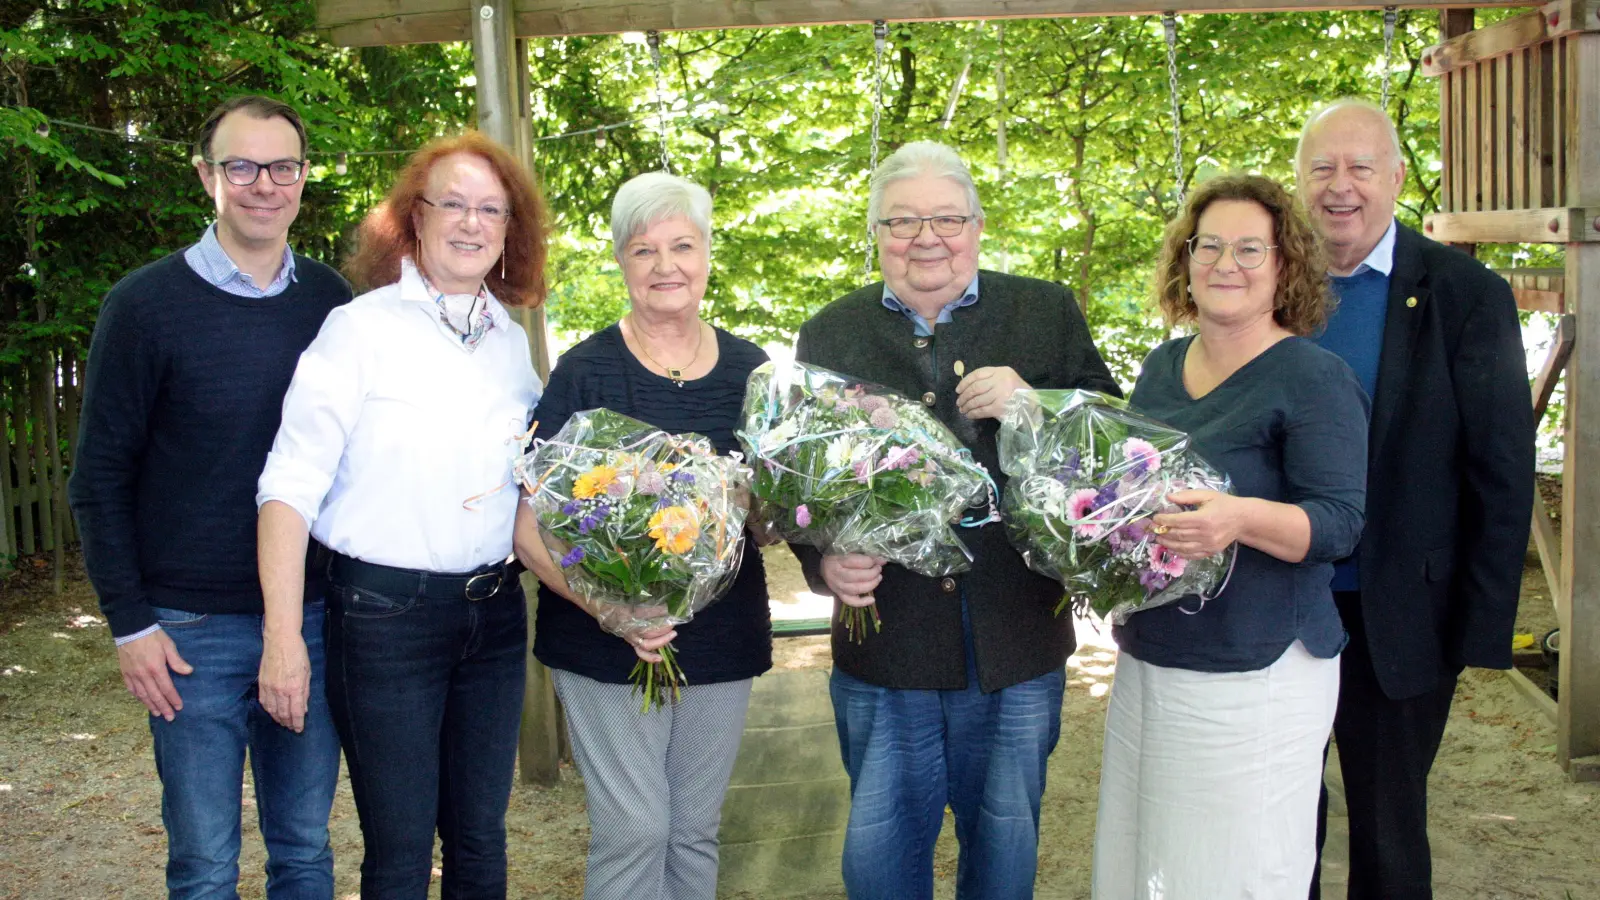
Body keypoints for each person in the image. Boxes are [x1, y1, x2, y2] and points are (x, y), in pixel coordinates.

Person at [791, 140, 1118, 900]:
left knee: (1003, 854)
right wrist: (824, 565)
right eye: (902, 222)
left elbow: (1112, 444)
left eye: (946, 219)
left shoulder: (1045, 312)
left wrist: (1035, 403)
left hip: (1014, 636)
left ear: (977, 226)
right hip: (888, 641)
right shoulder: (830, 332)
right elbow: (798, 478)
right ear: (876, 234)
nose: (926, 238)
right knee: (880, 860)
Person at [67, 95, 350, 898]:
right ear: (206, 176)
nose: (264, 184)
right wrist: (131, 624)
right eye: (242, 166)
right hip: (188, 632)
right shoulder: (143, 307)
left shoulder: (331, 303)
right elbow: (98, 479)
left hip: (310, 618)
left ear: (303, 177)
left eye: (282, 167)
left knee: (305, 851)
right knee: (203, 864)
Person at [255, 131, 548, 899]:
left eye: (492, 208)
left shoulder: (510, 345)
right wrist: (283, 639)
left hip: (493, 618)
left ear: (509, 229)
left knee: (481, 840)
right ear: (414, 217)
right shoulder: (359, 330)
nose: (472, 222)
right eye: (452, 203)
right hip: (385, 623)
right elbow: (288, 486)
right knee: (400, 850)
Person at [1090, 173, 1369, 898]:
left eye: (1250, 249)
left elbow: (1339, 523)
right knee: (1146, 861)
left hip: (1258, 669)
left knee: (1233, 872)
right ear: (1185, 260)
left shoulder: (1314, 377)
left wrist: (1237, 517)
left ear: (1285, 267)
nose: (1225, 264)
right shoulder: (1161, 366)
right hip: (1154, 656)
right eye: (1208, 246)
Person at [1298, 99, 1536, 900]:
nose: (1341, 186)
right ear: (1299, 181)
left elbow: (1502, 467)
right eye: (1322, 168)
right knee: (1277, 816)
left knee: (1388, 830)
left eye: (1361, 167)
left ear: (1397, 177)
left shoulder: (1465, 292)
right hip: (1280, 603)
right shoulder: (1265, 280)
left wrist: (1480, 625)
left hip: (1401, 611)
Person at [514, 171, 772, 900]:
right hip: (602, 641)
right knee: (635, 830)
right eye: (643, 250)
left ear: (708, 253)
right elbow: (528, 529)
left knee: (693, 830)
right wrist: (612, 608)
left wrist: (763, 506)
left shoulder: (751, 370)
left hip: (720, 638)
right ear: (621, 262)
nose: (666, 266)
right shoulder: (586, 372)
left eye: (682, 246)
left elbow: (771, 521)